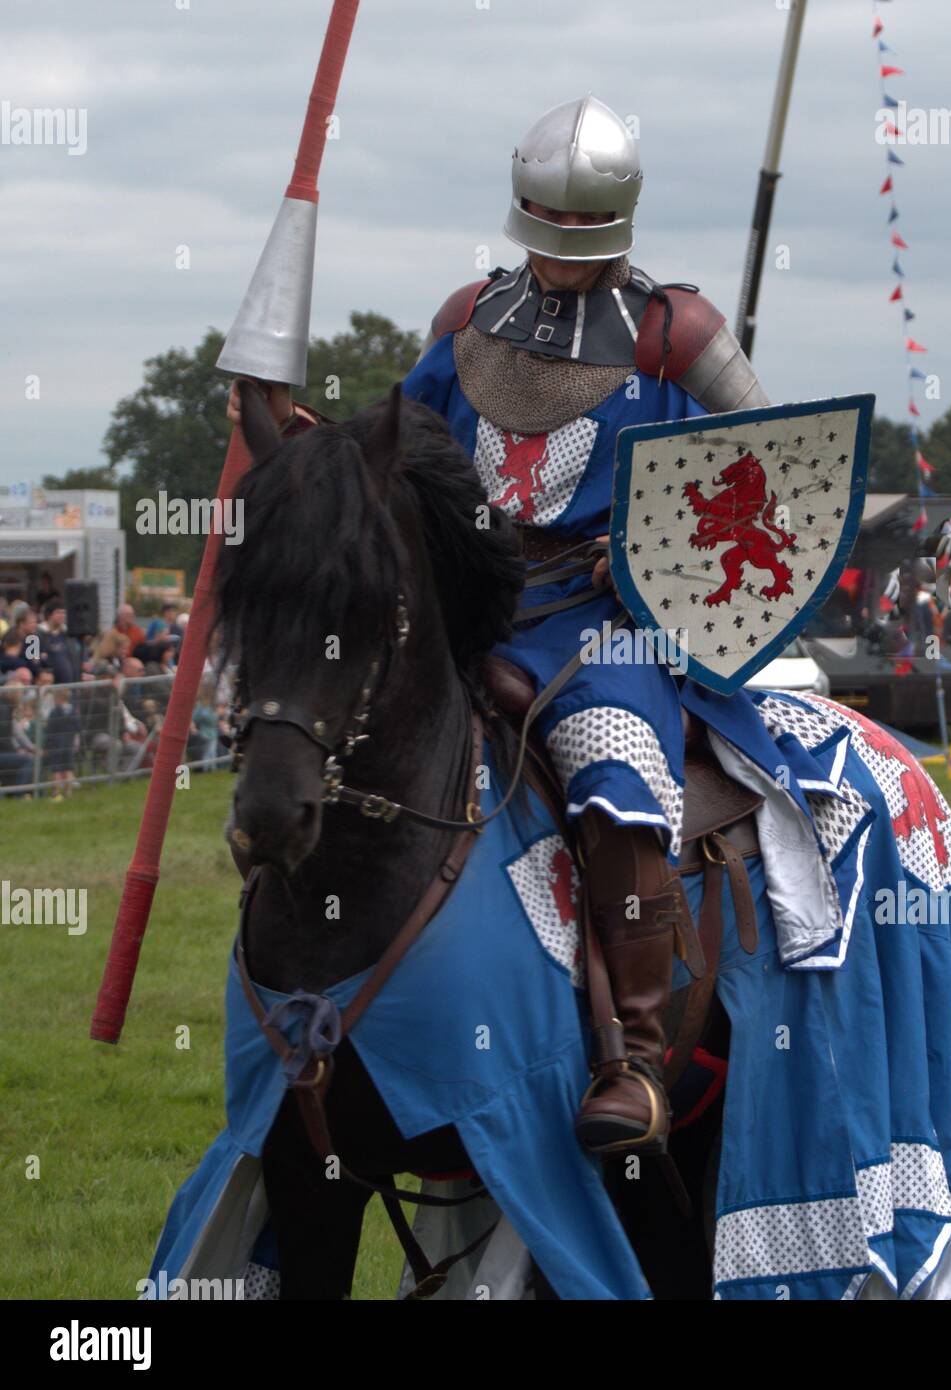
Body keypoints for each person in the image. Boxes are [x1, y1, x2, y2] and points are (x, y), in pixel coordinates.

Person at [227, 95, 766, 1157]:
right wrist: (309, 442)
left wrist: (658, 559)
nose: (561, 260)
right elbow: (408, 446)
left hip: (606, 626)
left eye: (581, 242)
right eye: (546, 235)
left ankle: (635, 1057)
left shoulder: (677, 336)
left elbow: (755, 474)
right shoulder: (470, 318)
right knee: (355, 745)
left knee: (616, 781)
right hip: (473, 609)